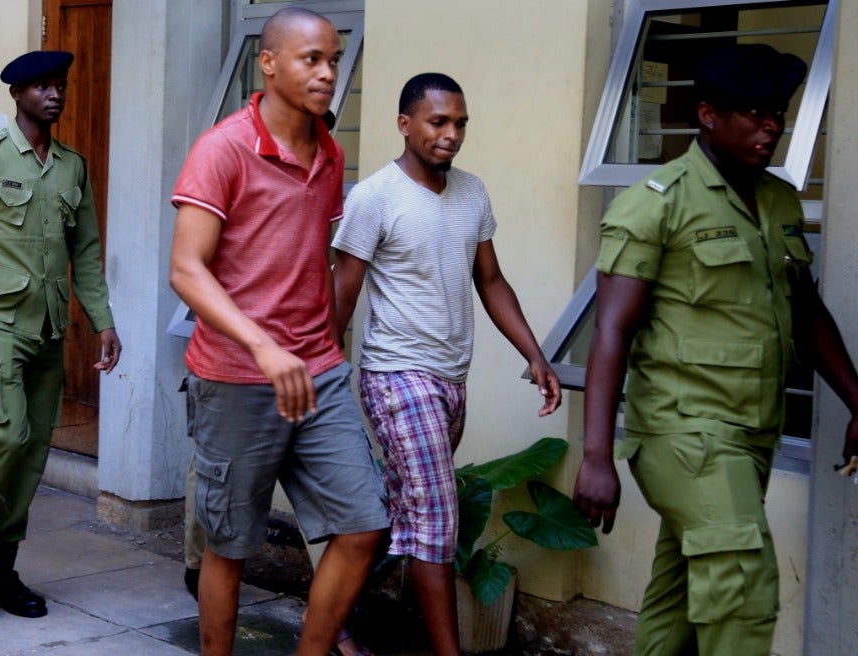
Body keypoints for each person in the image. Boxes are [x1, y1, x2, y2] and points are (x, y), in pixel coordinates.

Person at [572, 44, 858, 655]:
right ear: (706, 114)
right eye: (753, 113)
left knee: (681, 602)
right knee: (741, 587)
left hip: (751, 432)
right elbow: (612, 330)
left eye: (776, 112)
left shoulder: (778, 201)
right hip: (683, 433)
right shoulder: (657, 202)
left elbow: (805, 311)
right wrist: (596, 455)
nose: (771, 126)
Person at [168, 8, 388, 655]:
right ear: (269, 63)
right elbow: (186, 268)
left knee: (362, 525)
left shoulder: (329, 149)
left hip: (317, 371)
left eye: (333, 59)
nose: (327, 72)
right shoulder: (223, 148)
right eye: (311, 58)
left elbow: (310, 257)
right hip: (236, 379)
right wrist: (262, 343)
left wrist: (320, 340)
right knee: (230, 547)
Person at [331, 72, 562, 655]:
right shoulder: (373, 197)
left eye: (460, 123)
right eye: (439, 122)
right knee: (436, 521)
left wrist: (534, 355)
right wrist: (324, 373)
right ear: (405, 124)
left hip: (449, 380)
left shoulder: (472, 192)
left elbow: (491, 280)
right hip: (395, 377)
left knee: (400, 513)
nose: (451, 134)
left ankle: (332, 618)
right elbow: (343, 294)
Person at [0, 49, 122, 620]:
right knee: (1, 440)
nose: (54, 95)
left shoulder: (72, 166)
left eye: (61, 86)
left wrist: (102, 320)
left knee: (30, 454)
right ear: (17, 96)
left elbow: (87, 250)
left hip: (51, 329)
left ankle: (0, 571)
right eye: (42, 87)